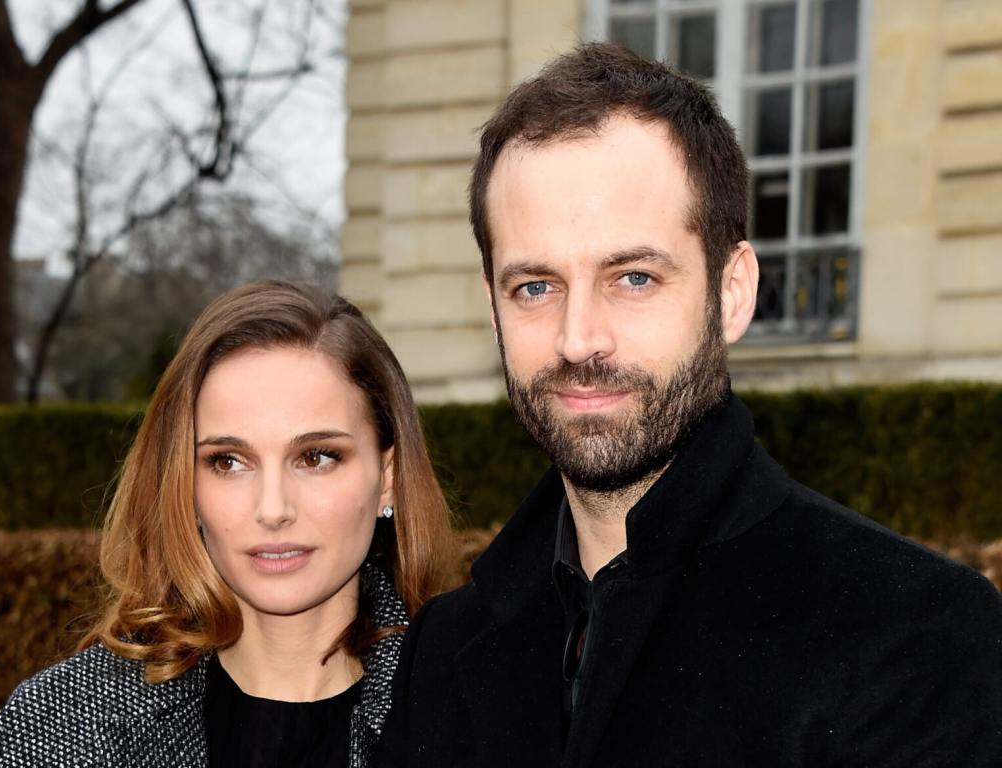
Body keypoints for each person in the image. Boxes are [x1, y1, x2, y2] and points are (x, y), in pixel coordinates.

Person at [377, 43, 1002, 767]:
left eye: (634, 278)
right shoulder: (445, 647)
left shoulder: (917, 632)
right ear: (493, 311)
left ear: (732, 292)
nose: (579, 339)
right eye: (536, 288)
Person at [0, 281, 455, 767]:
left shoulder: (475, 718)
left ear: (388, 478)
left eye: (316, 457)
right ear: (183, 483)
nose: (273, 509)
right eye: (228, 462)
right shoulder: (66, 727)